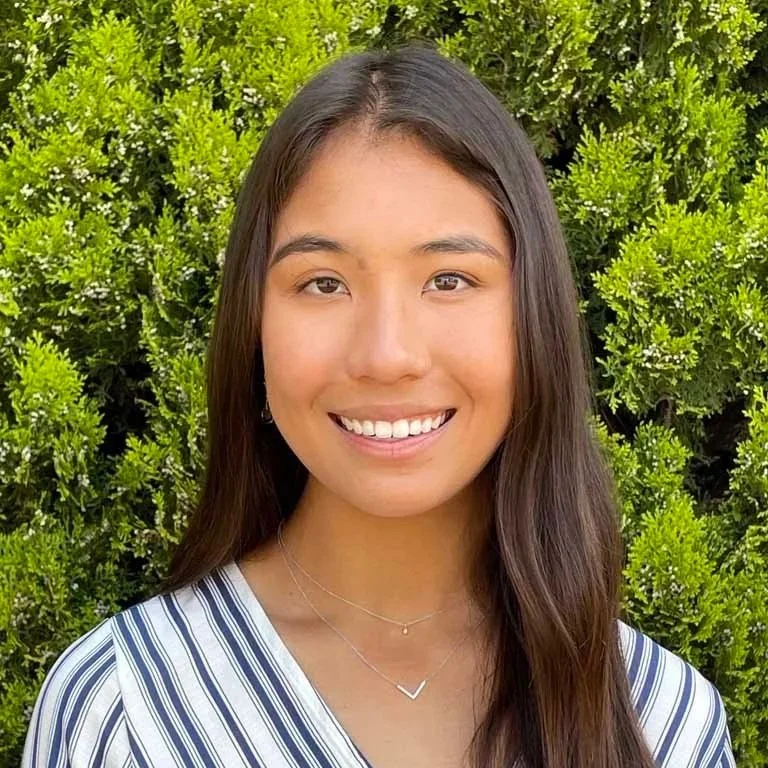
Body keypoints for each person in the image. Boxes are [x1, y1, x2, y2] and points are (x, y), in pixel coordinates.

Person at [22, 43, 735, 768]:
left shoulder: (660, 720)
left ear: (533, 320)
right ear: (253, 325)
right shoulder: (125, 710)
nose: (387, 355)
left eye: (449, 279)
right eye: (324, 283)